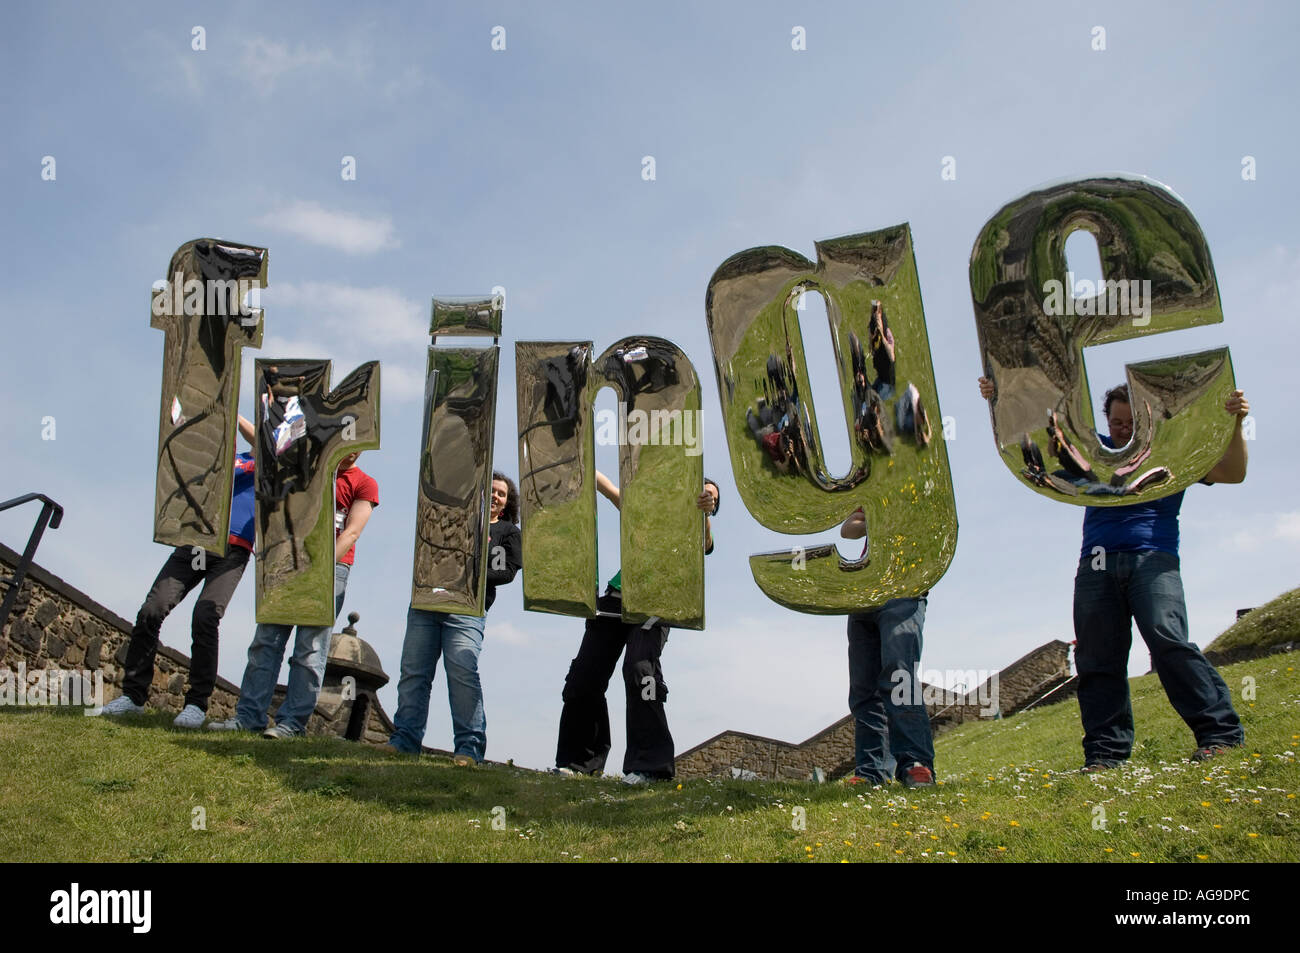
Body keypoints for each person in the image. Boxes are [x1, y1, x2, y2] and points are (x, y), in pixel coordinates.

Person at [978, 376, 1249, 768]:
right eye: (1117, 423)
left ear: (1147, 420)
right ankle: (1105, 755)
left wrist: (1237, 423)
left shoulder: (1171, 449)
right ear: (1106, 422)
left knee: (1169, 642)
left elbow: (1233, 472)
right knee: (1097, 659)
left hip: (1153, 558)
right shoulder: (1095, 453)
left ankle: (1221, 735)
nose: (1123, 431)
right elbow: (1031, 439)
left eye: (1130, 424)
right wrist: (1000, 398)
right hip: (1096, 565)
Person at [554, 472, 719, 784]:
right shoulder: (648, 515)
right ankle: (579, 763)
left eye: (711, 494)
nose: (704, 493)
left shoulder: (698, 529)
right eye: (700, 489)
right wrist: (581, 456)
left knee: (640, 669)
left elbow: (705, 541)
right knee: (584, 676)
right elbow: (607, 489)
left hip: (658, 605)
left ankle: (650, 767)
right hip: (616, 600)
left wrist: (705, 513)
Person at [101, 416, 260, 728]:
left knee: (205, 616)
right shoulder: (218, 465)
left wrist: (227, 411)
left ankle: (196, 705)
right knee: (152, 609)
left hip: (233, 549)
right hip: (198, 545)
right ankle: (133, 697)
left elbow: (260, 442)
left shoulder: (263, 462)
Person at [209, 449, 378, 737]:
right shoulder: (307, 470)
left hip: (331, 569)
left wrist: (319, 568)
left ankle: (291, 724)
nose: (351, 450)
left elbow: (351, 533)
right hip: (288, 561)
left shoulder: (365, 483)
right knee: (267, 640)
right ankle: (249, 717)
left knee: (310, 648)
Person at [386, 471, 522, 764]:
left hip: (467, 609)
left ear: (507, 503)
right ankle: (404, 739)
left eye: (503, 493)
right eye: (492, 490)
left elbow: (506, 572)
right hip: (428, 601)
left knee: (462, 671)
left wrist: (468, 567)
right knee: (414, 671)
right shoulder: (455, 516)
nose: (497, 496)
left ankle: (469, 749)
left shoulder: (507, 532)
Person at [840, 507, 936, 788]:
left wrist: (880, 517)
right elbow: (848, 530)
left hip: (904, 588)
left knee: (898, 675)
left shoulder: (919, 486)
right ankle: (871, 773)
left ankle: (915, 764)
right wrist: (880, 515)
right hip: (865, 593)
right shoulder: (873, 489)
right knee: (863, 689)